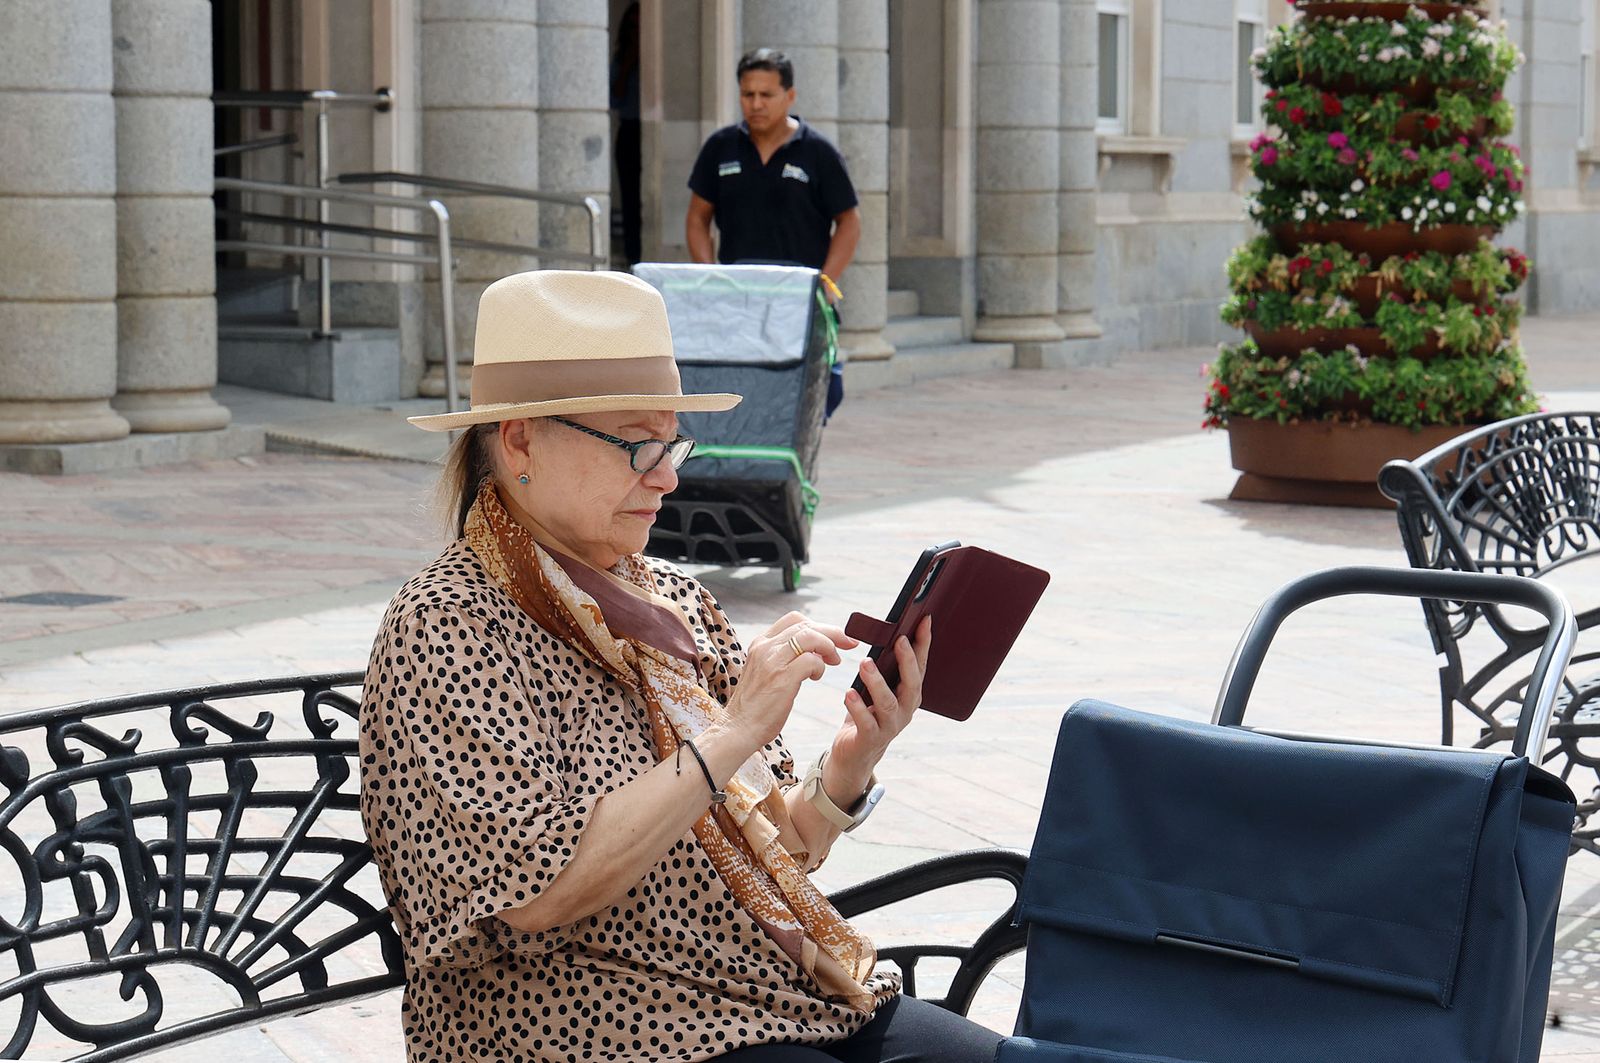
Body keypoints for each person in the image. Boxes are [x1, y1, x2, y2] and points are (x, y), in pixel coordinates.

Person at [358, 269, 1000, 1063]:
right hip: (570, 1022)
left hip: (751, 991)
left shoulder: (672, 603)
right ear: (520, 439)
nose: (667, 475)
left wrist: (847, 764)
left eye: (672, 441)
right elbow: (536, 892)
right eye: (637, 443)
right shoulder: (447, 627)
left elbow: (772, 851)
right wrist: (730, 733)